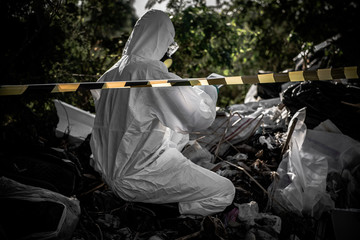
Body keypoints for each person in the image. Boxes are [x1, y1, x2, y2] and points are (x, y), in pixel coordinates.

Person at [90, 9, 235, 216]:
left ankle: (158, 197)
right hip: (137, 177)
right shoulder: (150, 73)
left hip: (108, 171)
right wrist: (211, 90)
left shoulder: (112, 72)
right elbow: (197, 117)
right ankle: (169, 210)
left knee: (177, 133)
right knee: (225, 190)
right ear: (161, 39)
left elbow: (170, 101)